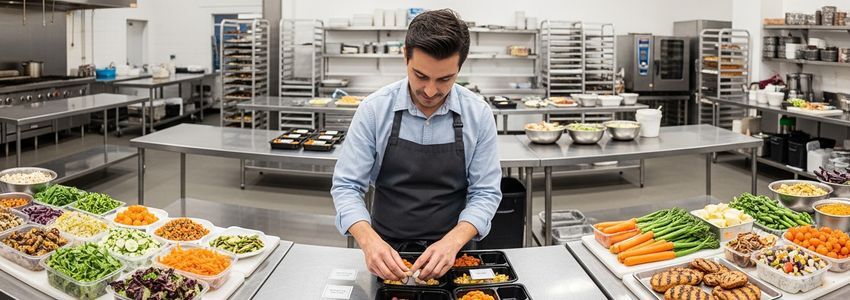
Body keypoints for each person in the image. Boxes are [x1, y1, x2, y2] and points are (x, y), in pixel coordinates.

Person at [331, 9, 502, 282]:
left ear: (460, 68)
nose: (431, 91)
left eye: (445, 79)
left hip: (452, 253)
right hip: (385, 251)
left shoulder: (478, 114)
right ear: (405, 56)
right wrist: (368, 240)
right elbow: (347, 186)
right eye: (420, 76)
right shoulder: (375, 110)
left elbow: (486, 193)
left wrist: (454, 241)